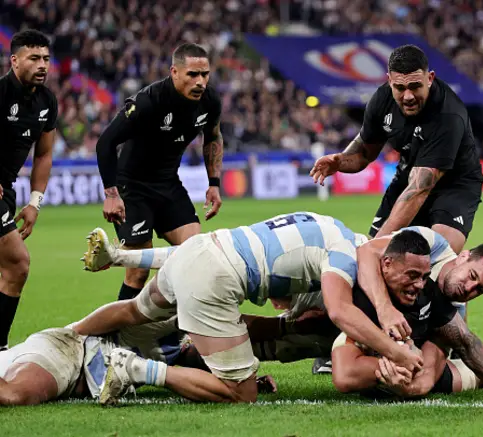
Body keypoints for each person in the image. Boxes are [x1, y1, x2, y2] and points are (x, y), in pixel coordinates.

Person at [72, 213, 424, 405]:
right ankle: (133, 369)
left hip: (201, 249)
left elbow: (189, 252)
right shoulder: (346, 254)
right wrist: (396, 353)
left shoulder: (326, 223)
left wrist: (123, 258)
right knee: (241, 393)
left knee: (135, 311)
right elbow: (339, 311)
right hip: (213, 280)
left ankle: (70, 335)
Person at [310, 44, 483, 254]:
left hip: (455, 186)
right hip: (409, 175)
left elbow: (420, 189)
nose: (408, 96)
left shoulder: (448, 114)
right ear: (390, 81)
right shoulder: (382, 100)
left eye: (415, 86)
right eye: (400, 88)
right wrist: (340, 161)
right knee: (381, 267)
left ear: (430, 78)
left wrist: (374, 249)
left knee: (438, 259)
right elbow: (364, 154)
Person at [330, 243, 483, 401]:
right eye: (472, 276)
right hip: (378, 330)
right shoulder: (427, 244)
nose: (470, 289)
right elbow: (367, 251)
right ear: (463, 257)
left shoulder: (448, 314)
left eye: (480, 289)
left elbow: (463, 346)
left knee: (441, 382)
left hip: (418, 348)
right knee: (349, 374)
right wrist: (384, 310)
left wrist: (403, 385)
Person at [96, 42, 224, 303]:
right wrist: (111, 194)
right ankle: (116, 338)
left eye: (205, 74)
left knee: (195, 257)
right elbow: (105, 142)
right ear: (174, 72)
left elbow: (213, 136)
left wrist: (214, 183)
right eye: (193, 75)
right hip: (132, 188)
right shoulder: (149, 101)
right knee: (137, 274)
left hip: (168, 184)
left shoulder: (210, 100)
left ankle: (174, 333)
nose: (200, 82)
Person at [0, 316, 279, 406]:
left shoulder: (181, 339)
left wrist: (243, 377)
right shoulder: (156, 307)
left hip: (73, 371)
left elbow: (197, 357)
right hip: (69, 349)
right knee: (13, 396)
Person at [0, 30, 58, 351]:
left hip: (6, 189)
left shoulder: (47, 101)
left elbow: (44, 154)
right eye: (34, 58)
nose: (42, 65)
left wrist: (35, 202)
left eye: (46, 59)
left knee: (13, 267)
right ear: (15, 60)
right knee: (17, 263)